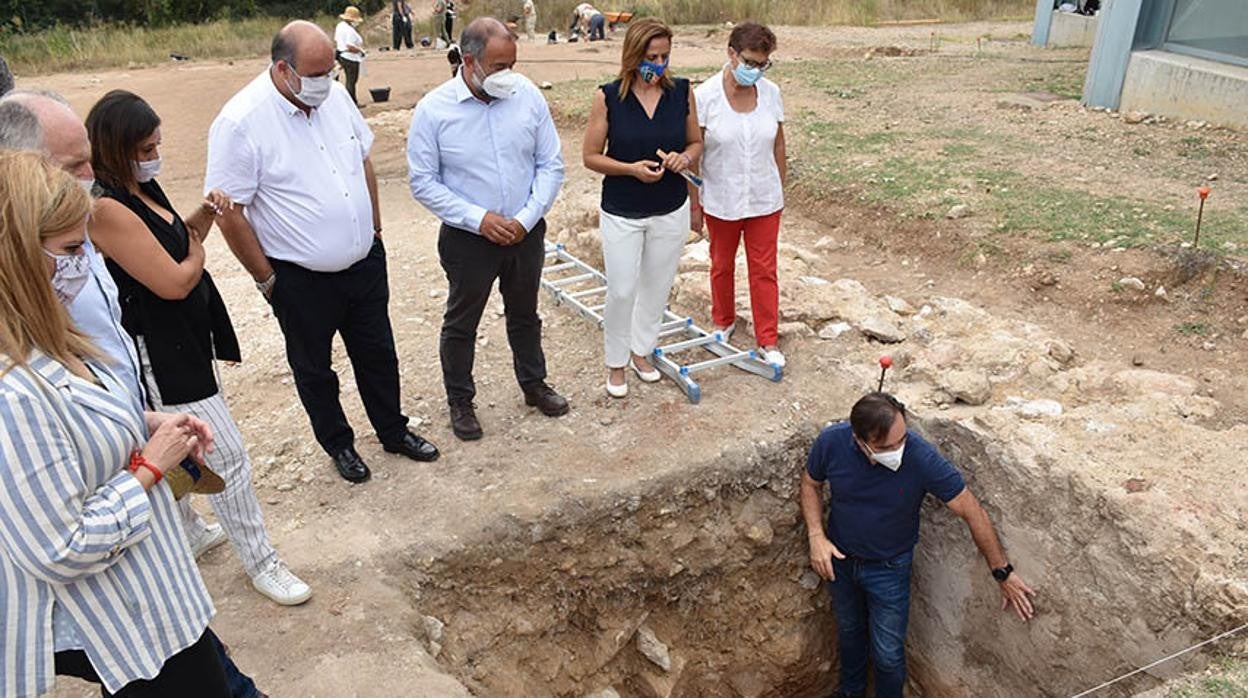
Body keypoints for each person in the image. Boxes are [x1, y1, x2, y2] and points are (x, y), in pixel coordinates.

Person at [1, 90, 269, 698]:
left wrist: (140, 421)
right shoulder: (13, 388)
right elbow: (60, 547)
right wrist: (150, 468)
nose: (84, 264)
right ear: (18, 252)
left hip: (154, 599)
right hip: (128, 621)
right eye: (71, 251)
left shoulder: (47, 331)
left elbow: (75, 423)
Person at [85, 89, 313, 607]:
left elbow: (173, 237)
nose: (154, 156)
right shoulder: (106, 207)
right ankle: (261, 562)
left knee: (186, 447)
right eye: (145, 148)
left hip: (184, 344)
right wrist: (200, 250)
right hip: (162, 356)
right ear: (118, 148)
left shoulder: (141, 189)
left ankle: (187, 529)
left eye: (156, 146)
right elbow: (174, 280)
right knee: (224, 454)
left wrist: (204, 216)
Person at [206, 21, 438, 484]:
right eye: (315, 75)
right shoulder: (240, 122)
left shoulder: (335, 98)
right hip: (299, 277)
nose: (325, 84)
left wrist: (374, 230)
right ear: (282, 69)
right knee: (314, 368)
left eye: (330, 72)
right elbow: (227, 211)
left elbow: (363, 160)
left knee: (378, 352)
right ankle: (340, 445)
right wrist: (266, 279)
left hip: (363, 263)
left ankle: (393, 431)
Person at [800, 393, 1038, 698]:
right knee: (849, 634)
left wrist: (1002, 572)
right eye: (887, 447)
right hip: (840, 561)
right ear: (860, 441)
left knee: (887, 654)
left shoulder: (920, 458)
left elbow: (971, 509)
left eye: (902, 439)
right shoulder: (832, 443)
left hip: (888, 569)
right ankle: (851, 693)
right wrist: (816, 537)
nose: (899, 450)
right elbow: (811, 483)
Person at [407, 17, 568, 441]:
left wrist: (526, 218)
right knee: (462, 321)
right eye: (499, 66)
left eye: (512, 63)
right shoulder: (434, 110)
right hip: (468, 240)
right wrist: (479, 219)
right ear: (469, 60)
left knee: (525, 313)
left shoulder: (526, 95)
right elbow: (423, 182)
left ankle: (534, 384)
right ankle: (460, 400)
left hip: (525, 230)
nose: (508, 75)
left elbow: (549, 164)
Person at [582, 18, 703, 398]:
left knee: (656, 286)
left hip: (670, 207)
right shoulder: (608, 97)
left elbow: (696, 142)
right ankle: (615, 362)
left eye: (665, 56)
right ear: (633, 56)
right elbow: (589, 157)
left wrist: (684, 158)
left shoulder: (682, 92)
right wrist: (630, 170)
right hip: (623, 209)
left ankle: (641, 350)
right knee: (621, 289)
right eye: (652, 57)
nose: (660, 64)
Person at [693, 23, 787, 368]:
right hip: (721, 196)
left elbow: (778, 142)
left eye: (763, 64)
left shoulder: (771, 93)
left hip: (764, 197)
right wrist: (695, 203)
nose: (756, 70)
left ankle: (768, 338)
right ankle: (723, 321)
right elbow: (695, 151)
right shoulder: (704, 96)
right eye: (750, 62)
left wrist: (781, 186)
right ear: (731, 54)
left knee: (764, 269)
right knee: (721, 263)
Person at [336, 5, 367, 106]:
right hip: (350, 57)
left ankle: (350, 101)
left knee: (349, 80)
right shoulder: (349, 31)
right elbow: (350, 46)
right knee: (351, 81)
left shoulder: (340, 26)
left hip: (341, 54)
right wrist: (360, 50)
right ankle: (351, 103)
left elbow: (337, 40)